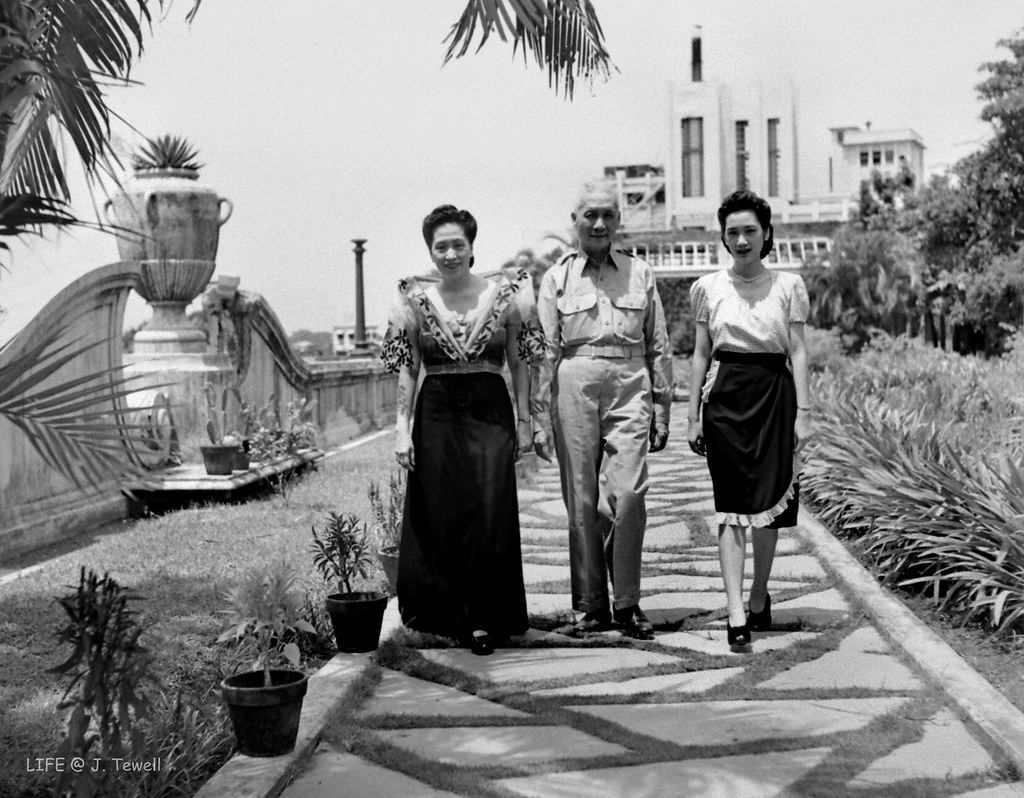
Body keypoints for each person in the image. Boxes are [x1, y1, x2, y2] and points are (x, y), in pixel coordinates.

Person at [380, 204, 547, 656]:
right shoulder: (411, 297)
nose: (450, 253)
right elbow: (407, 368)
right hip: (436, 413)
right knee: (443, 510)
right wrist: (402, 427)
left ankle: (487, 615)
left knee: (488, 507)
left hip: (490, 410)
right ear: (430, 251)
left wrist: (526, 422)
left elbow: (520, 360)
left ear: (472, 247)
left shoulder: (509, 292)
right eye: (441, 246)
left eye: (458, 244)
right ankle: (445, 613)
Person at [535, 180, 673, 640]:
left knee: (629, 494)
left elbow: (659, 343)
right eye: (589, 215)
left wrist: (664, 407)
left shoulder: (640, 272)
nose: (599, 224)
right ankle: (591, 605)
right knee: (582, 499)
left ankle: (628, 602)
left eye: (608, 215)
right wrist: (537, 418)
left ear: (618, 221)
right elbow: (544, 351)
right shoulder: (556, 278)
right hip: (574, 381)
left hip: (630, 382)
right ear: (573, 221)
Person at [687, 189, 811, 652]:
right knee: (731, 506)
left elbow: (798, 351)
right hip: (726, 397)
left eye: (750, 231)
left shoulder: (789, 285)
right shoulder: (707, 288)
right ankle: (737, 610)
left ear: (766, 235)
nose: (741, 240)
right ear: (723, 238)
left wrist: (804, 413)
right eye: (733, 232)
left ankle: (760, 596)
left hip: (774, 394)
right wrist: (691, 415)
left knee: (769, 503)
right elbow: (700, 354)